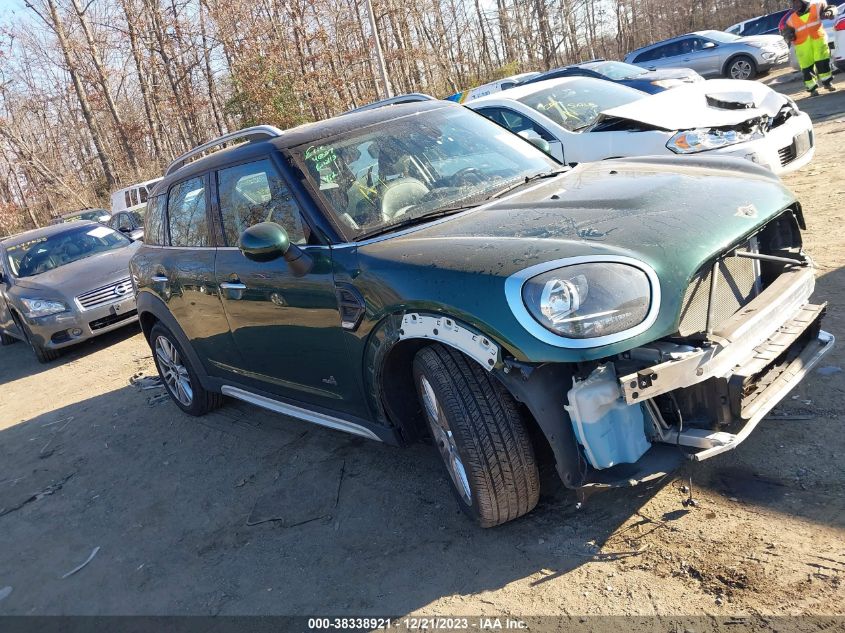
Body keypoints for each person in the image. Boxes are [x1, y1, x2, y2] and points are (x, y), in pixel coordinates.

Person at [784, 0, 836, 94]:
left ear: (804, 2)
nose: (795, 5)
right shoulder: (791, 19)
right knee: (807, 68)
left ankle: (827, 83)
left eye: (797, 2)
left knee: (823, 63)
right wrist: (789, 35)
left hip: (818, 42)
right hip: (802, 47)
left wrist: (829, 12)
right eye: (793, 3)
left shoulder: (816, 7)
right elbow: (786, 31)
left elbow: (832, 8)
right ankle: (812, 89)